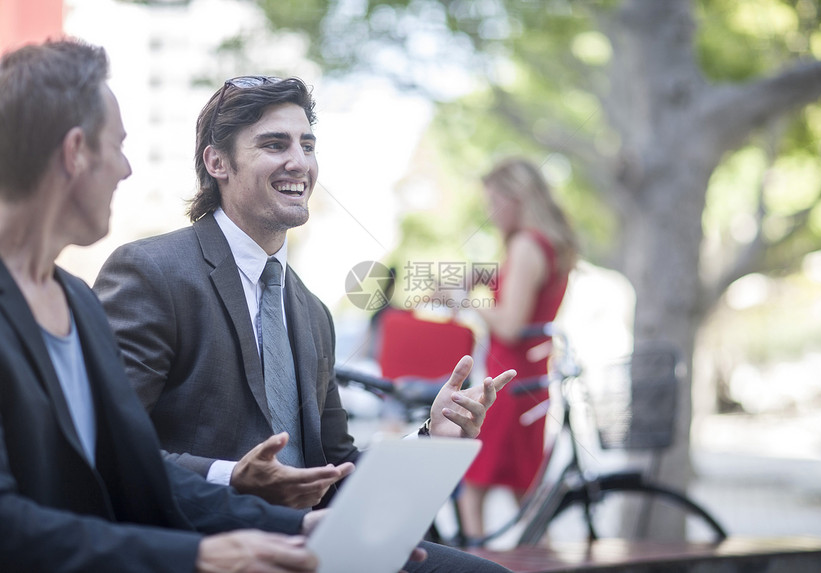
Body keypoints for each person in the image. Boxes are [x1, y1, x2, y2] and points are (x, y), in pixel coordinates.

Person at [94, 75, 516, 571]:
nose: (300, 162)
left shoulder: (311, 310)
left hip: (317, 546)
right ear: (217, 162)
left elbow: (334, 466)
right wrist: (232, 476)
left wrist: (430, 437)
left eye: (307, 144)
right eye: (274, 144)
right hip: (207, 547)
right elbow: (107, 446)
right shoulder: (152, 272)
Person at [0, 38, 322, 573]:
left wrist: (296, 526)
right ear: (76, 151)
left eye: (307, 144)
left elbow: (138, 469)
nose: (125, 169)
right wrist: (196, 556)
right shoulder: (144, 274)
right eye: (117, 146)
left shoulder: (74, 300)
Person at [457, 157, 579, 540]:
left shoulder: (527, 245)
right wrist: (480, 276)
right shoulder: (547, 245)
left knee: (471, 487)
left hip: (506, 385)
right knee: (523, 494)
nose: (490, 214)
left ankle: (475, 563)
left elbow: (510, 324)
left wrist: (464, 301)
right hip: (529, 382)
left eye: (494, 202)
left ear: (516, 198)